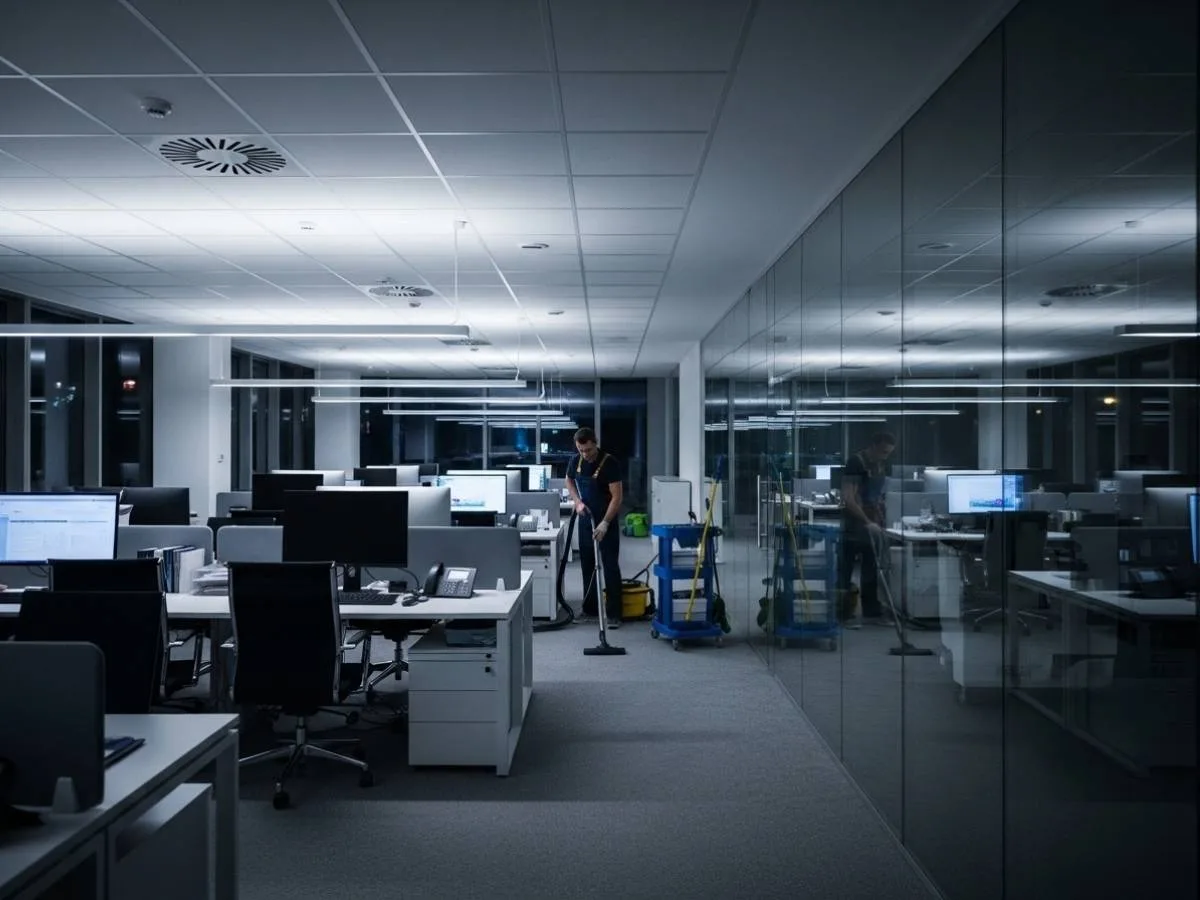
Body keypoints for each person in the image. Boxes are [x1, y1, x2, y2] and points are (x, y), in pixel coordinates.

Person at [565, 427, 624, 626]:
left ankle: (615, 614)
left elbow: (617, 496)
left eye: (588, 450)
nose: (585, 454)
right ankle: (589, 609)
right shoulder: (576, 461)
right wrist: (577, 501)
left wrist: (606, 523)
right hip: (585, 519)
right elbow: (569, 480)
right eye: (581, 450)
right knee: (587, 565)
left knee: (609, 566)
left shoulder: (610, 463)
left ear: (595, 443)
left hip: (606, 519)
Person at [838, 431, 896, 627]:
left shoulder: (880, 465)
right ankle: (843, 614)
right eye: (883, 452)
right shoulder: (856, 463)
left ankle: (872, 612)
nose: (885, 456)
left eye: (888, 453)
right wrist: (866, 521)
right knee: (845, 570)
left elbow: (876, 495)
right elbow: (849, 499)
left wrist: (879, 517)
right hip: (853, 525)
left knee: (871, 568)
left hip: (873, 523)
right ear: (873, 446)